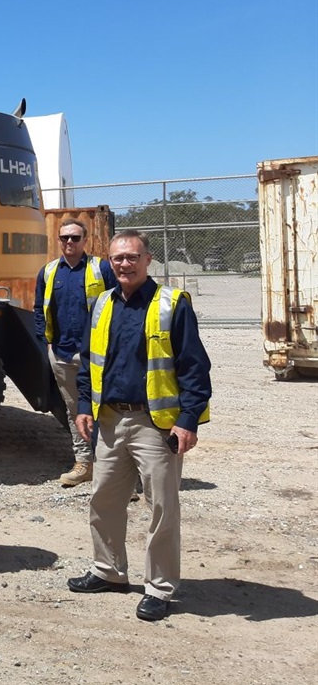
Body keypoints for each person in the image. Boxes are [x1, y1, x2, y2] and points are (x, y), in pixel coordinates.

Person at [68, 230, 211, 621]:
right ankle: (108, 570)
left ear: (148, 260)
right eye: (118, 259)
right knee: (104, 500)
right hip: (110, 421)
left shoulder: (171, 304)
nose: (125, 265)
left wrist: (188, 420)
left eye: (132, 257)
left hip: (155, 425)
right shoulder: (101, 305)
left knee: (161, 507)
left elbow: (195, 367)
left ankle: (160, 588)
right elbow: (89, 361)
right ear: (109, 262)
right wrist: (84, 405)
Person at [33, 217, 115, 487]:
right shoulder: (48, 272)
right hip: (62, 354)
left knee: (105, 410)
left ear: (85, 240)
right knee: (73, 410)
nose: (69, 242)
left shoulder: (100, 268)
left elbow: (119, 305)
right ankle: (83, 464)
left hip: (98, 355)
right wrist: (46, 342)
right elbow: (38, 309)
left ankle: (112, 471)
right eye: (64, 238)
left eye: (75, 238)